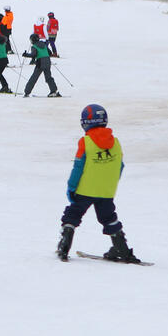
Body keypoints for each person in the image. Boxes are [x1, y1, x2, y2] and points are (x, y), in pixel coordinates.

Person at [56, 105, 139, 263]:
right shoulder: (116, 142)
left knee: (72, 215)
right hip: (106, 191)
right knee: (109, 218)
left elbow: (78, 167)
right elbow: (120, 166)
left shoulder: (85, 142)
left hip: (84, 190)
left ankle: (64, 245)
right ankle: (122, 249)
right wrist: (110, 184)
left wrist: (72, 187)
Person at [22, 33, 61, 97]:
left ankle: (27, 92)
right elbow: (50, 52)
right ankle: (53, 91)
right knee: (48, 77)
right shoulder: (44, 44)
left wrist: (26, 55)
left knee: (34, 77)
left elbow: (33, 55)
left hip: (40, 62)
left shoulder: (34, 46)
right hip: (48, 61)